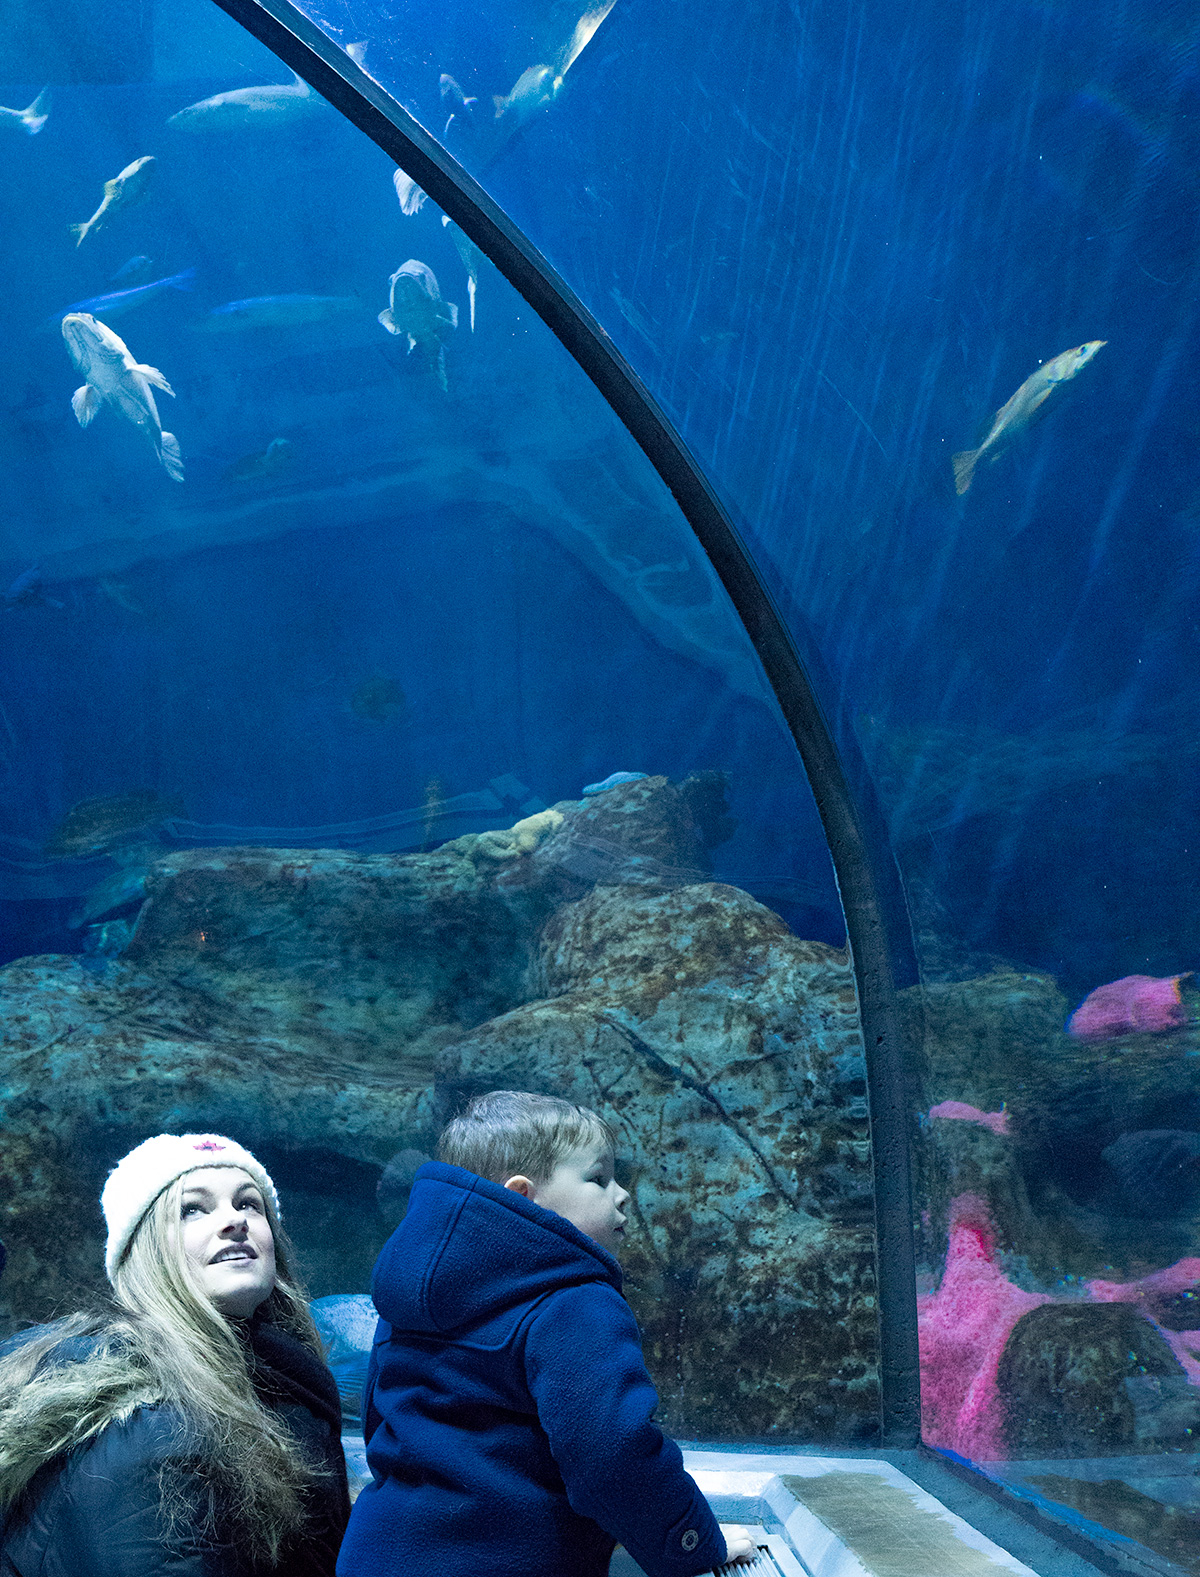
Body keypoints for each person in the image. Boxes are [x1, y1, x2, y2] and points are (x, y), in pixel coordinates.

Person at [338, 1090, 755, 1577]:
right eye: (598, 1178)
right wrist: (689, 1542)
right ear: (522, 1196)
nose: (621, 1194)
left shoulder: (403, 1293)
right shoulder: (573, 1299)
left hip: (376, 1554)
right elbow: (614, 1456)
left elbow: (378, 1421)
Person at [0, 1132, 350, 1577]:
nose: (234, 1221)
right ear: (143, 1251)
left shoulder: (274, 1378)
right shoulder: (155, 1433)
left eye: (248, 1204)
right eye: (191, 1210)